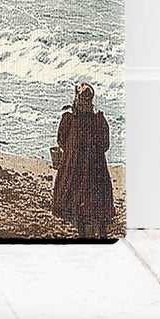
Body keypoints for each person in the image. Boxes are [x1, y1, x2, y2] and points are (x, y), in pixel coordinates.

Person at [53, 82, 116, 240]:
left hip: (74, 168)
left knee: (76, 204)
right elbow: (105, 145)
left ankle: (84, 235)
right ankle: (99, 233)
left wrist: (73, 151)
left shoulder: (69, 119)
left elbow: (61, 141)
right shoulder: (98, 120)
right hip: (96, 169)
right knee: (96, 205)